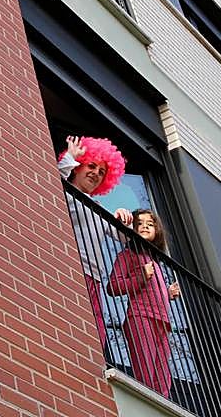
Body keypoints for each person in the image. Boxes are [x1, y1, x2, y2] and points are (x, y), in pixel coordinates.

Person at [59, 135, 131, 350]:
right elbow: (53, 182)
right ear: (78, 167)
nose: (96, 174)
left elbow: (123, 237)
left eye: (102, 172)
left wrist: (123, 219)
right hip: (72, 268)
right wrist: (70, 157)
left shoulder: (98, 207)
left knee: (96, 328)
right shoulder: (66, 192)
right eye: (91, 166)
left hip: (95, 277)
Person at [106, 208, 182, 398]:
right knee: (145, 367)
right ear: (132, 229)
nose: (145, 226)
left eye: (150, 224)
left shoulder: (154, 260)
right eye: (140, 224)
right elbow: (113, 286)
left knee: (163, 373)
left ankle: (162, 403)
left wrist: (168, 294)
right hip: (140, 317)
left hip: (162, 321)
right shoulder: (128, 255)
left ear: (157, 230)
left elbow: (151, 291)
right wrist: (141, 276)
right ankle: (146, 399)